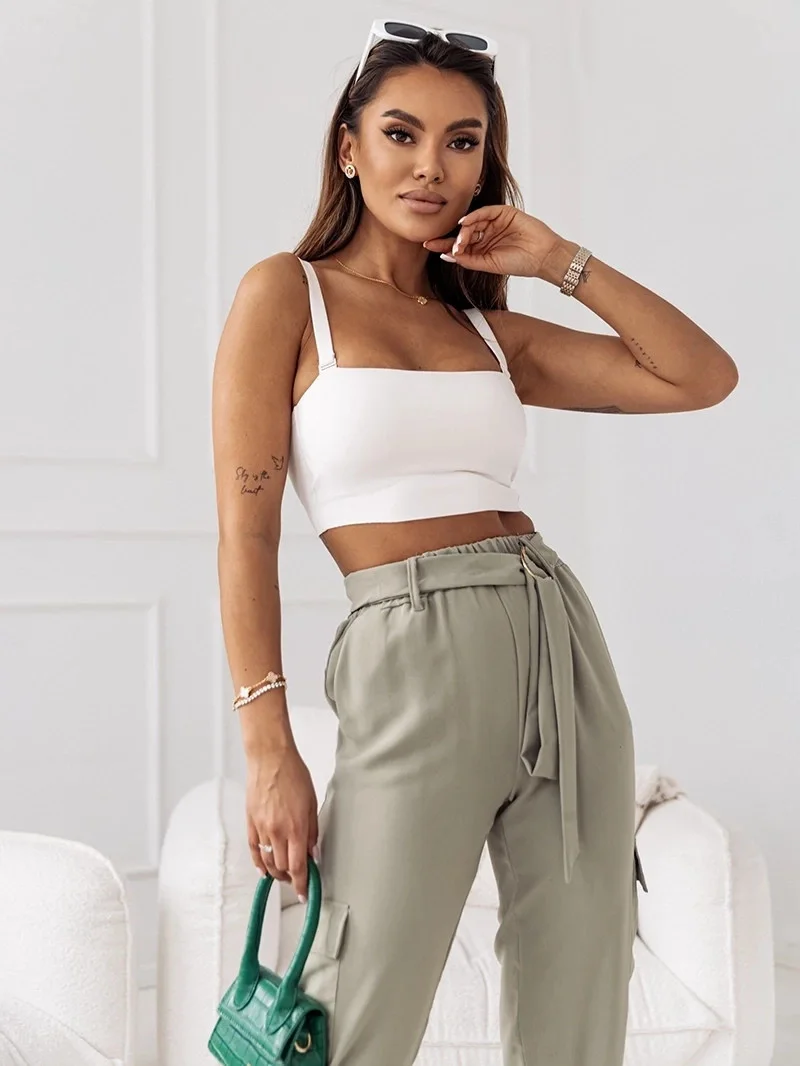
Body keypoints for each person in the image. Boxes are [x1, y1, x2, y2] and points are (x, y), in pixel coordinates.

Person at [211, 21, 738, 1066]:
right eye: (401, 133)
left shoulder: (487, 331)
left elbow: (699, 375)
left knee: (578, 978)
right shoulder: (287, 293)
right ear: (348, 146)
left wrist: (554, 260)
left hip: (555, 640)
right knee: (361, 985)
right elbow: (245, 531)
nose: (431, 166)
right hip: (411, 644)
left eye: (462, 142)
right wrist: (268, 748)